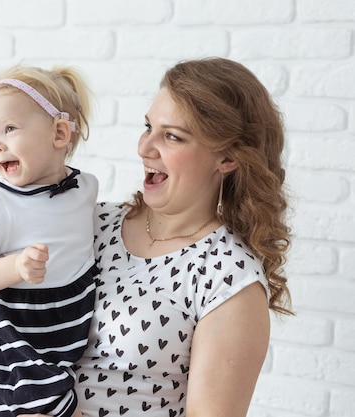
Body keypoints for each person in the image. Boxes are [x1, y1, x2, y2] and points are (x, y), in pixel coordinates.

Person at [19, 57, 292, 417]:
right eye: (148, 127)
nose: (145, 148)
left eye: (172, 136)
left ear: (226, 158)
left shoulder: (229, 279)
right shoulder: (89, 222)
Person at [0, 64, 99, 417]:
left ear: (60, 133)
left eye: (9, 129)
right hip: (13, 340)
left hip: (61, 337)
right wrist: (15, 265)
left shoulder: (84, 189)